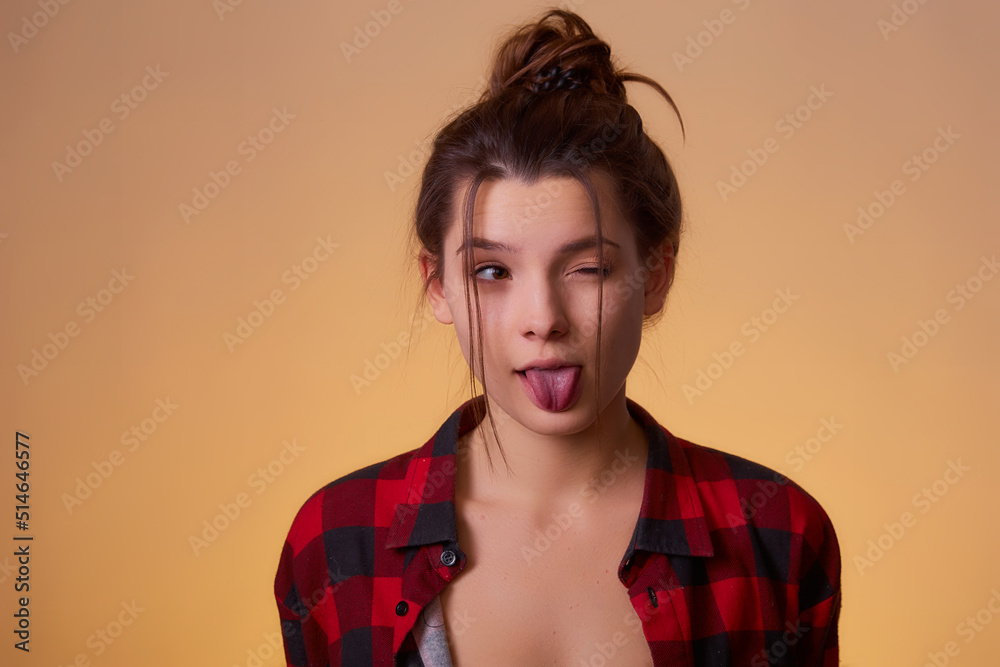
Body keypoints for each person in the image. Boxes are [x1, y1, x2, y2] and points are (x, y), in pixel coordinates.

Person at [274, 8, 841, 666]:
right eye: (492, 271)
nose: (542, 316)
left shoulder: (778, 534)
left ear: (654, 275)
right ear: (438, 285)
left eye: (588, 268)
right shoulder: (336, 542)